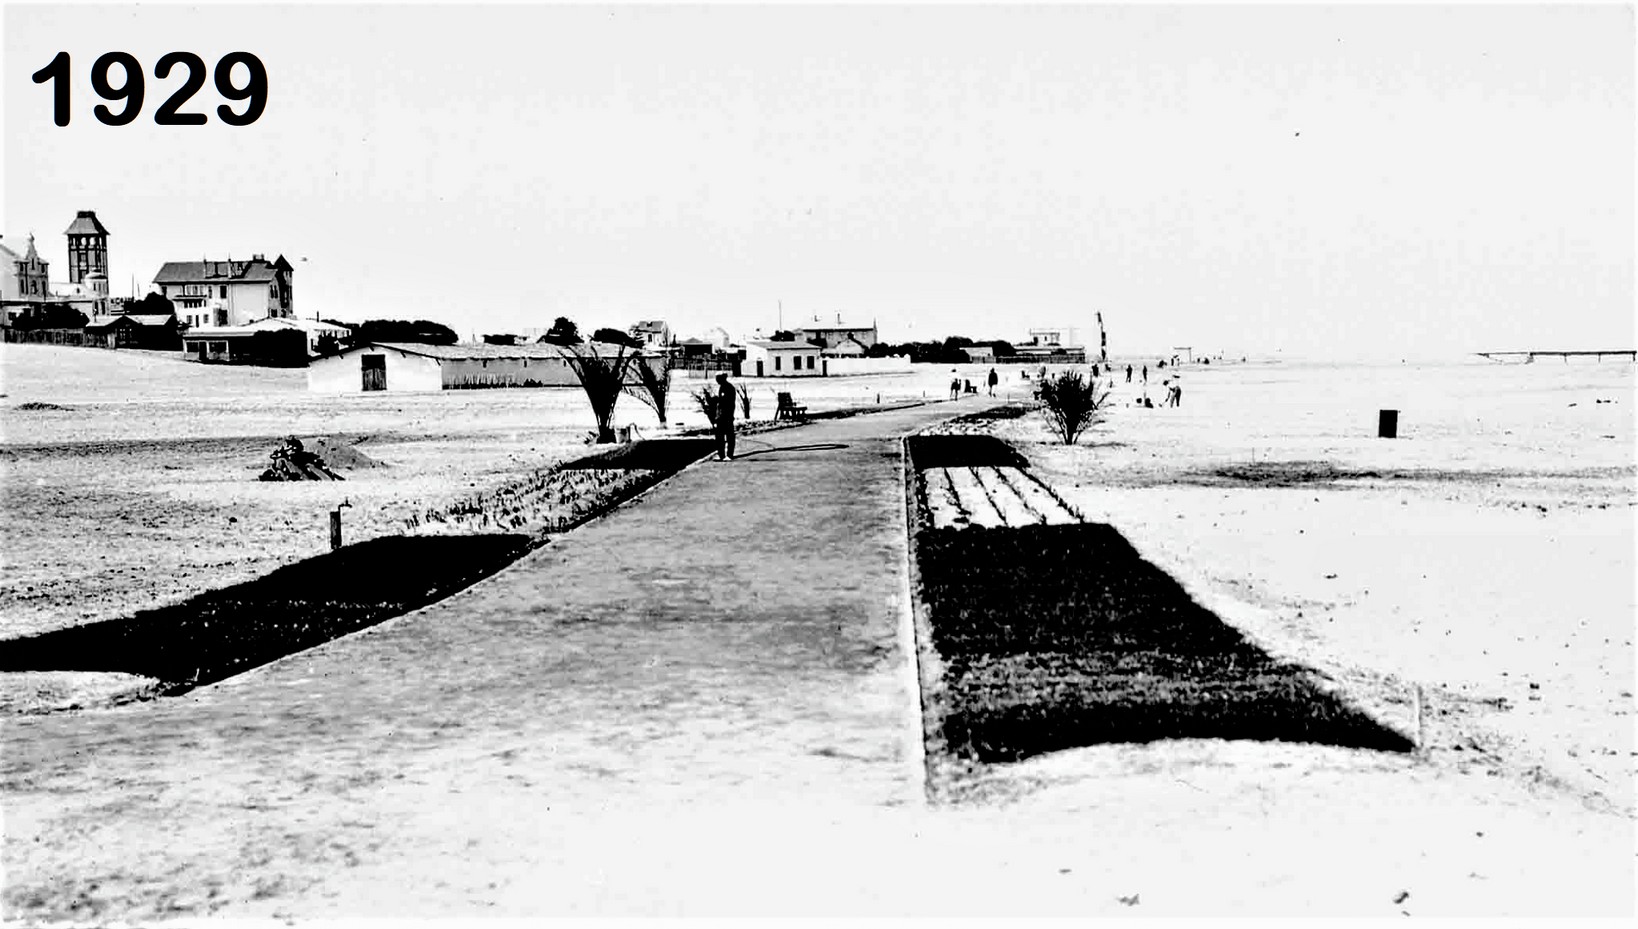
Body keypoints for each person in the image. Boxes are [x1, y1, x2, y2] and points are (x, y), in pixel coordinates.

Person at [714, 373, 737, 460]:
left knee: (729, 435)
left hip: (727, 415)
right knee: (719, 436)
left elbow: (727, 402)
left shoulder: (729, 387)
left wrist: (718, 400)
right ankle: (721, 455)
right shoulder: (722, 387)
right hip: (721, 416)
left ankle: (729, 454)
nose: (717, 380)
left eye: (718, 378)